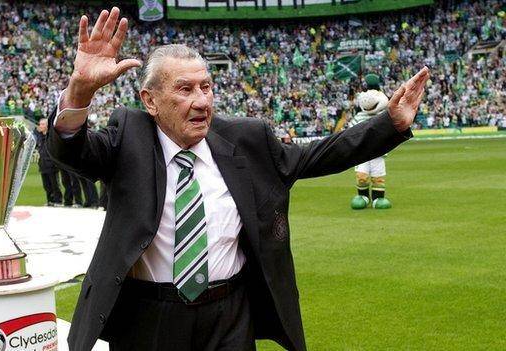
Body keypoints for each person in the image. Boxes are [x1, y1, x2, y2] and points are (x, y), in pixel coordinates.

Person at [47, 8, 429, 351]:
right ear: (150, 101)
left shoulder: (246, 139)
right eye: (185, 89)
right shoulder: (128, 134)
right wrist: (80, 90)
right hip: (148, 318)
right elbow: (71, 150)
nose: (202, 101)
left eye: (206, 86)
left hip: (229, 315)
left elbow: (317, 156)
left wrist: (389, 124)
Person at [349, 89, 393, 210]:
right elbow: (351, 132)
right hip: (361, 153)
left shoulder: (383, 116)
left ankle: (378, 198)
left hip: (378, 153)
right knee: (361, 175)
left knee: (378, 176)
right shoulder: (358, 118)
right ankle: (363, 196)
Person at [34, 118, 63, 206]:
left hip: (51, 165)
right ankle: (50, 200)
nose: (41, 126)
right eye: (40, 124)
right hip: (42, 165)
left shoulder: (51, 137)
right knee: (46, 185)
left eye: (43, 124)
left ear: (47, 126)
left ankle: (58, 200)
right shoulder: (39, 137)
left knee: (55, 184)